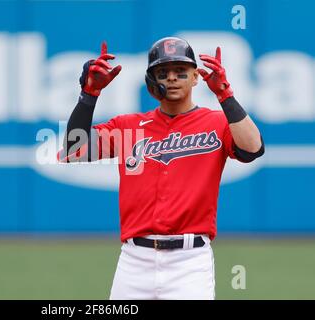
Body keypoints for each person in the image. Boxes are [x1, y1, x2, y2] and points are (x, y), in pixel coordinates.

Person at [57, 37, 265, 300]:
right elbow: (74, 151)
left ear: (196, 77)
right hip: (134, 260)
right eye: (162, 72)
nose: (172, 78)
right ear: (151, 81)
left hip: (190, 262)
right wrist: (89, 96)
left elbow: (253, 148)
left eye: (181, 71)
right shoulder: (129, 127)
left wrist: (225, 94)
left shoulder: (216, 122)